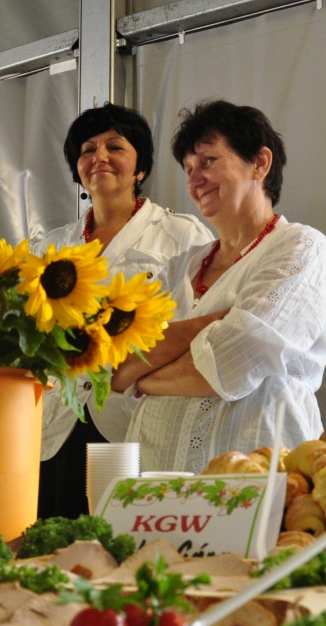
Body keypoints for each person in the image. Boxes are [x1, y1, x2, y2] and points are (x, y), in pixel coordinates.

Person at [111, 99, 326, 472]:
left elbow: (233, 359)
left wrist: (143, 379)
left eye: (209, 161)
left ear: (260, 164)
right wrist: (212, 323)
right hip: (156, 479)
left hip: (256, 476)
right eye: (188, 169)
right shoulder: (178, 267)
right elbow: (117, 368)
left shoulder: (300, 246)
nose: (194, 180)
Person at [37, 103, 213, 519]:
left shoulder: (181, 234)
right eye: (87, 149)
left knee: (122, 542)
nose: (99, 156)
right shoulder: (51, 248)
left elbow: (196, 329)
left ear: (140, 168)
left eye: (115, 146)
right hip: (58, 423)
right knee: (54, 546)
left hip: (131, 420)